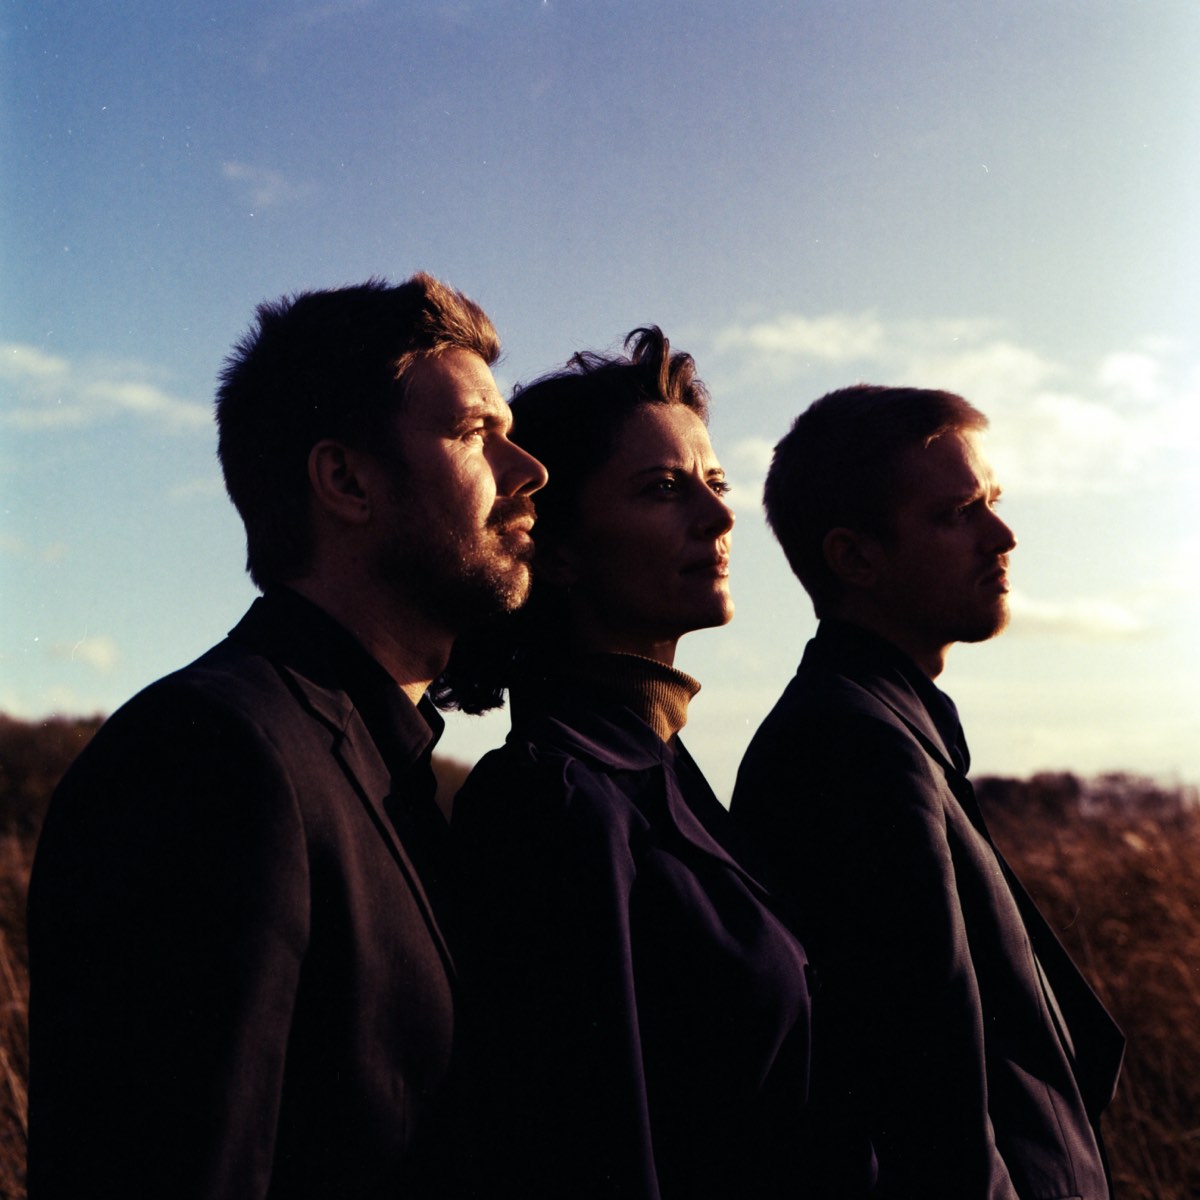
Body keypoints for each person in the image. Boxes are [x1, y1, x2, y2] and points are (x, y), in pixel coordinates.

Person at [26, 273, 548, 1199]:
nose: (528, 469)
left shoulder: (382, 770)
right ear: (345, 479)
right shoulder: (211, 756)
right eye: (475, 434)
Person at [435, 328, 874, 1200]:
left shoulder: (664, 772)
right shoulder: (554, 796)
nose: (718, 515)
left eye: (715, 483)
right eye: (664, 489)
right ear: (554, 549)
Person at [732, 384, 1125, 1199]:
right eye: (958, 515)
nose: (1003, 535)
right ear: (856, 559)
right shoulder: (851, 747)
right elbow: (925, 1111)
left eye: (994, 503)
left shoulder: (886, 727)